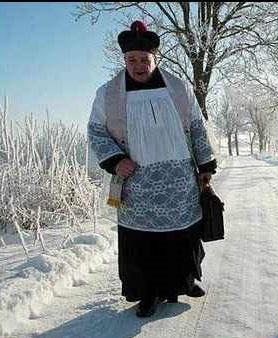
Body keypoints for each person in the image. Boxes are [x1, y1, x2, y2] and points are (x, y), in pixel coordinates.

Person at [87, 20, 217, 317]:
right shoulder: (108, 94)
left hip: (180, 183)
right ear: (124, 61)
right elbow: (95, 131)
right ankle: (148, 294)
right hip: (137, 187)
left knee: (183, 237)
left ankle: (183, 283)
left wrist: (205, 164)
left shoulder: (179, 89)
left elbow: (196, 127)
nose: (138, 65)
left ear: (155, 59)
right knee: (143, 244)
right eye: (131, 60)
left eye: (144, 60)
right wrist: (115, 160)